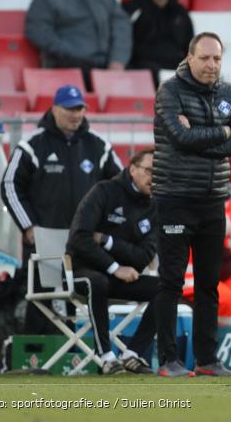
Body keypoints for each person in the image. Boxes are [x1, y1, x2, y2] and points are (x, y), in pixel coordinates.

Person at [153, 32, 231, 378]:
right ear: (189, 57)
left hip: (213, 201)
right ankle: (168, 360)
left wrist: (201, 136)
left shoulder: (229, 92)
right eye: (205, 58)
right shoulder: (169, 91)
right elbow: (180, 139)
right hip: (174, 198)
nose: (211, 65)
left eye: (217, 59)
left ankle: (207, 359)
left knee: (209, 284)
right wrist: (221, 132)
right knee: (171, 282)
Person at [0, 84, 123, 333]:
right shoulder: (32, 145)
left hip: (84, 242)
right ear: (55, 109)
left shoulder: (99, 146)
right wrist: (28, 226)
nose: (76, 115)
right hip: (43, 240)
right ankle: (37, 352)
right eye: (70, 109)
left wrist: (108, 228)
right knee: (40, 300)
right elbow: (10, 185)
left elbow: (120, 188)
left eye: (80, 109)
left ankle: (80, 351)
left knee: (83, 295)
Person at [66, 149, 158, 375]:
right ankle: (106, 357)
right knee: (97, 281)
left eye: (160, 173)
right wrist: (114, 267)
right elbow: (79, 238)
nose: (154, 178)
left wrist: (107, 241)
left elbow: (142, 257)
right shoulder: (104, 191)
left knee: (168, 287)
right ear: (132, 169)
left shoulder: (155, 207)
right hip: (81, 271)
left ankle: (132, 354)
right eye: (149, 171)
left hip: (121, 277)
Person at [25, 0, 132, 87]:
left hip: (107, 67)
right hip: (68, 68)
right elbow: (38, 32)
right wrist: (72, 54)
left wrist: (117, 60)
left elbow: (121, 24)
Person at [123, 0, 194, 83]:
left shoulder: (181, 13)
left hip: (175, 73)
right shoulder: (132, 9)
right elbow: (122, 46)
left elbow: (190, 48)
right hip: (142, 73)